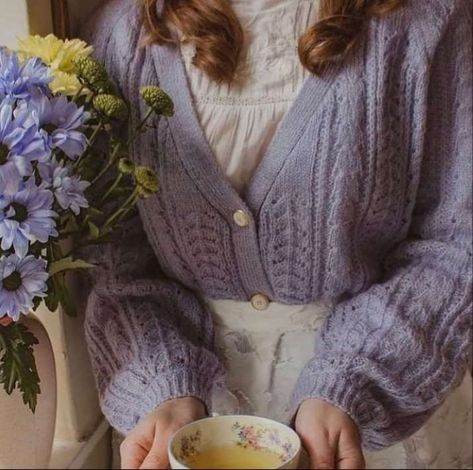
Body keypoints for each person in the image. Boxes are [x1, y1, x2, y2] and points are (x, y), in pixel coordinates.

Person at [81, 0, 472, 468]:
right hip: (181, 432)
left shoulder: (427, 21)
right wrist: (160, 382)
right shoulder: (125, 35)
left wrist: (352, 381)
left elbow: (455, 243)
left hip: (373, 414)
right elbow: (113, 262)